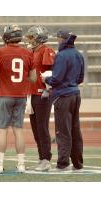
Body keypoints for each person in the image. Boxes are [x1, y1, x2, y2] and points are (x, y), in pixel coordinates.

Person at [0, 24, 37, 173]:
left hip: (4, 95)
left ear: (6, 37)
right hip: (21, 96)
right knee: (19, 130)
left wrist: (1, 77)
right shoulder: (28, 53)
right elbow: (33, 78)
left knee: (2, 131)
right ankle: (21, 165)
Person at [42, 29, 84, 171]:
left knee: (62, 131)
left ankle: (63, 164)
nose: (57, 41)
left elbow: (56, 79)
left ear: (62, 39)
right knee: (75, 130)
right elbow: (80, 78)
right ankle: (78, 163)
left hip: (63, 96)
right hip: (75, 94)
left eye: (58, 38)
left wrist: (45, 78)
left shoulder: (61, 55)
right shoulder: (79, 54)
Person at [25, 25, 55, 171]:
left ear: (39, 37)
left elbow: (50, 71)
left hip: (42, 93)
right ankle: (41, 157)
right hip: (31, 94)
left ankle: (46, 159)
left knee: (42, 127)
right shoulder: (32, 51)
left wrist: (48, 89)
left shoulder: (46, 50)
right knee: (35, 128)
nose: (30, 40)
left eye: (32, 37)